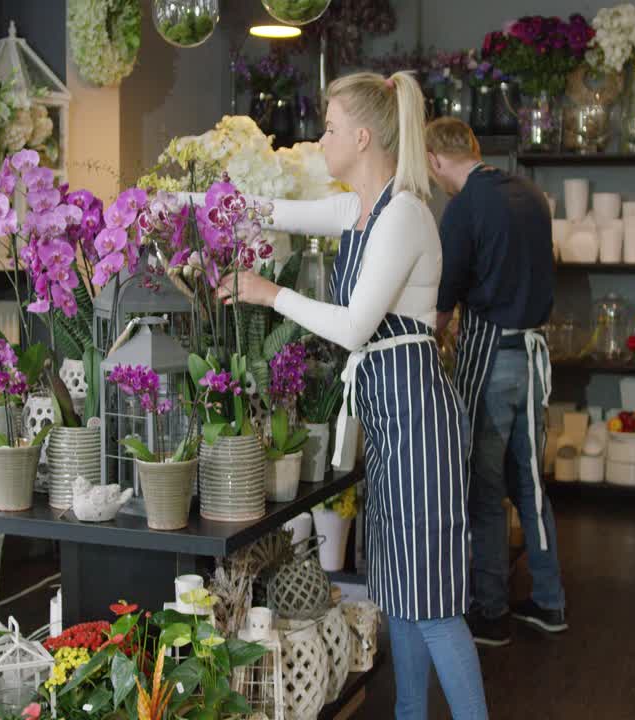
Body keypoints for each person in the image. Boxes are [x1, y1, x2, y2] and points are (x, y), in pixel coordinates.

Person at [217, 73, 489, 720]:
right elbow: (274, 211)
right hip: (390, 413)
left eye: (331, 128)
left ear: (362, 137)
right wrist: (188, 201)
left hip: (419, 418)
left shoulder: (403, 215)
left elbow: (353, 327)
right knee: (399, 594)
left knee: (435, 603)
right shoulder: (359, 209)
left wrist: (266, 292)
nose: (320, 139)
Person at [425, 117, 566, 647]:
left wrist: (427, 343)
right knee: (529, 483)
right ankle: (550, 601)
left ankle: (490, 611)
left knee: (483, 488)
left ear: (437, 161)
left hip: (491, 359)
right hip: (534, 356)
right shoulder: (530, 195)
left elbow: (443, 305)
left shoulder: (464, 209)